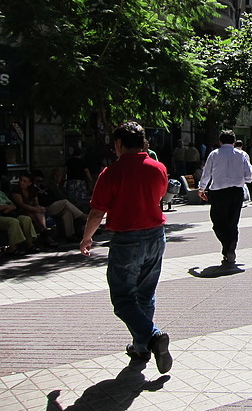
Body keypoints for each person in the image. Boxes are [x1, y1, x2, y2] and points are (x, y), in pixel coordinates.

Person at [79, 121, 172, 374]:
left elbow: (97, 212)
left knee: (122, 299)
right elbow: (160, 196)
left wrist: (87, 238)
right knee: (145, 295)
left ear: (118, 144)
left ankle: (151, 337)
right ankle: (140, 346)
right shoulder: (158, 168)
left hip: (126, 241)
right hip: (155, 236)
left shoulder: (111, 173)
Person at [198, 130, 252, 265]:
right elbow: (249, 176)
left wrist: (201, 188)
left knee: (218, 222)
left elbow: (207, 173)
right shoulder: (241, 155)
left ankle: (227, 245)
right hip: (236, 192)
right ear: (234, 142)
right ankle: (230, 245)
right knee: (233, 222)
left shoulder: (214, 154)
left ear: (220, 142)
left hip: (219, 192)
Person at [31, 170, 87, 241]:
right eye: (37, 181)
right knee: (65, 202)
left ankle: (70, 235)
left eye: (41, 181)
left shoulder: (42, 187)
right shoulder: (33, 189)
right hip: (45, 208)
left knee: (67, 213)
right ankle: (82, 216)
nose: (39, 183)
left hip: (52, 205)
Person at [11, 172, 59, 247]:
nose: (21, 183)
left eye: (24, 181)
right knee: (34, 214)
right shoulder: (16, 190)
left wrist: (38, 208)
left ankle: (44, 231)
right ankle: (46, 233)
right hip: (21, 211)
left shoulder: (32, 190)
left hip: (32, 211)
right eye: (20, 180)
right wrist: (35, 209)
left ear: (29, 183)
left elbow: (36, 203)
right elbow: (21, 205)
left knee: (39, 210)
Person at [0, 189, 38, 255]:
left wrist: (9, 207)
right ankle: (13, 248)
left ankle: (30, 244)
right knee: (13, 222)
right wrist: (6, 207)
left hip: (9, 213)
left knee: (26, 219)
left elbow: (14, 206)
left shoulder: (1, 193)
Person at [65, 147, 93, 212]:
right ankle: (81, 210)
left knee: (71, 197)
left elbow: (65, 171)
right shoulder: (82, 162)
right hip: (80, 182)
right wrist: (90, 179)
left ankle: (73, 209)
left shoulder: (69, 161)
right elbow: (86, 171)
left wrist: (63, 180)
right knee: (81, 198)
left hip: (70, 181)